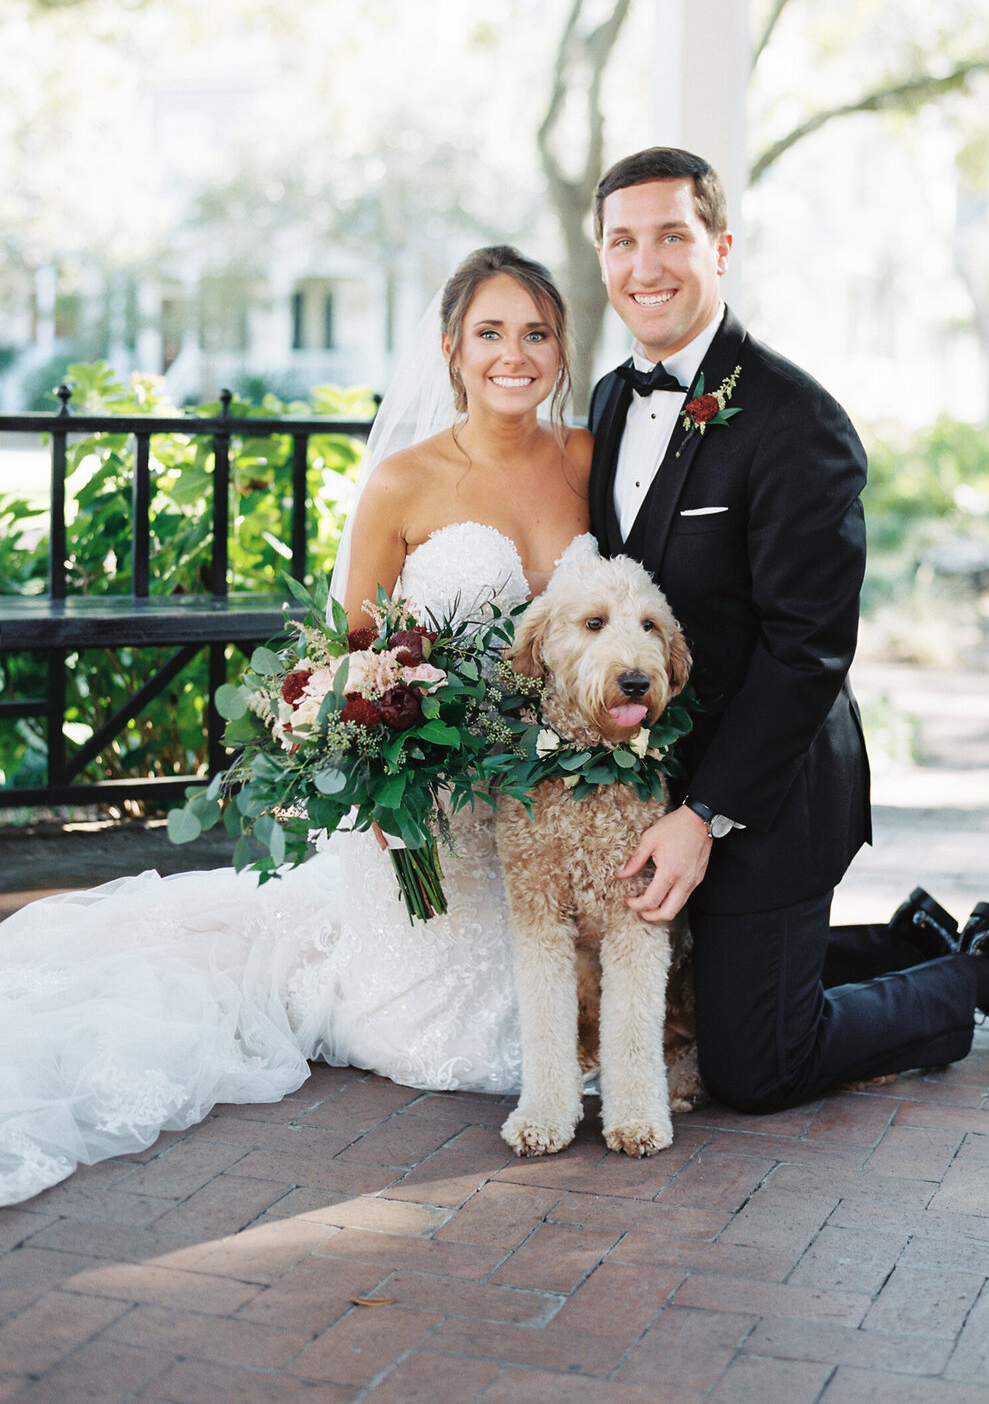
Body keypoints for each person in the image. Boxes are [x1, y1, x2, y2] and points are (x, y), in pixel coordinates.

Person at [0, 245, 593, 1207]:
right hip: (433, 805)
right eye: (490, 333)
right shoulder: (403, 481)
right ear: (452, 349)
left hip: (553, 792)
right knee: (433, 1030)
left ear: (560, 348)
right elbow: (352, 654)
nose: (512, 355)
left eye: (535, 333)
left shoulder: (587, 458)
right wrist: (383, 754)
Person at [587, 144, 989, 1113]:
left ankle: (981, 970)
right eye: (623, 240)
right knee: (720, 991)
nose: (647, 265)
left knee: (755, 1066)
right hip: (666, 782)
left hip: (773, 791)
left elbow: (808, 652)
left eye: (672, 236)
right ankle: (906, 939)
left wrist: (706, 815)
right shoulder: (607, 400)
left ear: (720, 246)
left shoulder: (797, 420)